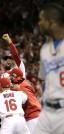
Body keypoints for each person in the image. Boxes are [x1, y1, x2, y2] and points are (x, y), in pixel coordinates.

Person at [33, 3, 64, 134]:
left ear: (51, 22)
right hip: (47, 111)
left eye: (42, 20)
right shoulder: (45, 49)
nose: (39, 23)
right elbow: (45, 80)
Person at [9, 68, 42, 133]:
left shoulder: (20, 86)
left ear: (15, 76)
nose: (9, 77)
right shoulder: (25, 83)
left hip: (31, 116)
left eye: (11, 76)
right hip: (37, 114)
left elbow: (24, 100)